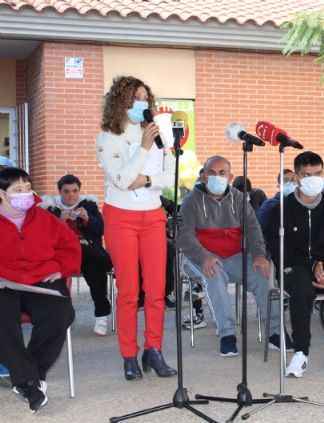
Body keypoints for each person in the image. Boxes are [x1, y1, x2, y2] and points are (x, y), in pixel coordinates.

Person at [95, 75, 177, 381]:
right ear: (121, 102)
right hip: (121, 218)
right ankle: (128, 355)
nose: (141, 103)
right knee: (129, 291)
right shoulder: (108, 137)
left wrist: (147, 180)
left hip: (153, 216)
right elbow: (121, 180)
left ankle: (153, 349)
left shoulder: (158, 133)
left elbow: (173, 175)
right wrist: (143, 149)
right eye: (134, 98)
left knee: (156, 290)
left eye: (145, 97)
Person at [263, 151, 324, 378]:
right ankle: (301, 352)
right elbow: (281, 251)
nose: (313, 178)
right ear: (297, 178)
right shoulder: (280, 211)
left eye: (318, 173)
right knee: (301, 290)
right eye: (307, 174)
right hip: (295, 268)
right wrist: (312, 267)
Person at [178, 156, 286, 357]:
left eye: (222, 173)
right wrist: (204, 257)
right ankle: (227, 335)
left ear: (230, 176)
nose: (216, 177)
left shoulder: (238, 198)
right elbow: (185, 236)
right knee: (214, 276)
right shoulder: (190, 201)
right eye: (211, 173)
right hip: (200, 259)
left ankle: (275, 333)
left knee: (263, 273)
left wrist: (259, 256)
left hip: (236, 257)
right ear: (203, 176)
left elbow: (253, 229)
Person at [0, 167, 80, 412]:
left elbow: (70, 247)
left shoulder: (45, 218)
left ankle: (27, 378)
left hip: (41, 280)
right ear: (2, 194)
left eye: (27, 188)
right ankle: (29, 381)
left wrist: (61, 267)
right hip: (4, 282)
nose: (25, 193)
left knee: (61, 313)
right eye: (17, 190)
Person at [40, 174, 112, 336]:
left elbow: (100, 230)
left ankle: (101, 315)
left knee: (94, 266)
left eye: (74, 191)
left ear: (79, 191)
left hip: (87, 253)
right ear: (60, 193)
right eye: (66, 191)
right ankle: (59, 316)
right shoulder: (51, 209)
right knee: (51, 273)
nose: (71, 195)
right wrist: (59, 220)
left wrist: (87, 218)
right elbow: (44, 236)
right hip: (61, 254)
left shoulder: (89, 206)